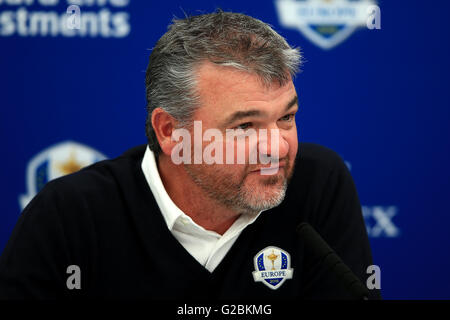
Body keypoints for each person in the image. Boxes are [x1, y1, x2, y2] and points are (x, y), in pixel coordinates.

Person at [0, 10, 380, 300]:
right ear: (170, 132)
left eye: (286, 118)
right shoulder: (71, 214)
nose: (277, 148)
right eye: (244, 127)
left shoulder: (317, 183)